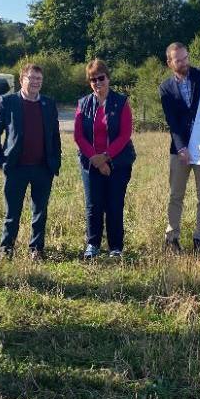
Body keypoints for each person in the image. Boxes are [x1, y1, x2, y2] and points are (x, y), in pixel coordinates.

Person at [0, 63, 62, 261]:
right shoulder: (8, 102)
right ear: (22, 80)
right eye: (32, 78)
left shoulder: (48, 103)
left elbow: (55, 136)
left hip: (42, 168)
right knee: (12, 212)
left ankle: (36, 249)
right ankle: (7, 248)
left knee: (40, 211)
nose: (36, 82)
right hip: (15, 168)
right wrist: (0, 161)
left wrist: (56, 161)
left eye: (39, 79)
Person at [73, 59, 136, 259]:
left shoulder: (121, 102)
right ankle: (93, 244)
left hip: (118, 163)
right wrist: (96, 160)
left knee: (114, 204)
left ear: (108, 78)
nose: (97, 82)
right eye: (93, 79)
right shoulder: (83, 104)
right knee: (93, 205)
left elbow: (125, 134)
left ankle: (116, 247)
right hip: (91, 164)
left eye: (101, 78)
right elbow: (78, 136)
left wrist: (106, 158)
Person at [159, 42, 200, 254]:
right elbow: (173, 122)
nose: (184, 63)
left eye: (185, 57)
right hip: (179, 149)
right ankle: (172, 239)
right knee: (176, 195)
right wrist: (181, 148)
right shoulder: (165, 88)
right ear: (170, 63)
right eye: (178, 60)